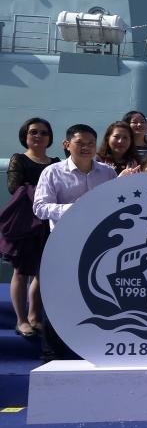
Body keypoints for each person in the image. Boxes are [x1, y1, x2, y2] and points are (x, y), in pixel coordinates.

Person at [32, 123, 117, 358]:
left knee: (97, 294)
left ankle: (96, 348)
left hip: (100, 245)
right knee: (58, 297)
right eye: (80, 143)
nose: (86, 147)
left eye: (91, 143)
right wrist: (74, 208)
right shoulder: (52, 172)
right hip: (64, 244)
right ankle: (52, 352)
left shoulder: (107, 173)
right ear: (67, 144)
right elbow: (40, 207)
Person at [1, 118, 59, 338]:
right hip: (25, 222)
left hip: (47, 221)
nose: (38, 136)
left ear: (49, 137)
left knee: (42, 271)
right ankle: (21, 320)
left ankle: (34, 316)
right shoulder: (19, 159)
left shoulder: (55, 162)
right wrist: (42, 193)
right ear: (25, 135)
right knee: (21, 271)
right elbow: (14, 187)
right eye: (33, 132)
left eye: (43, 132)